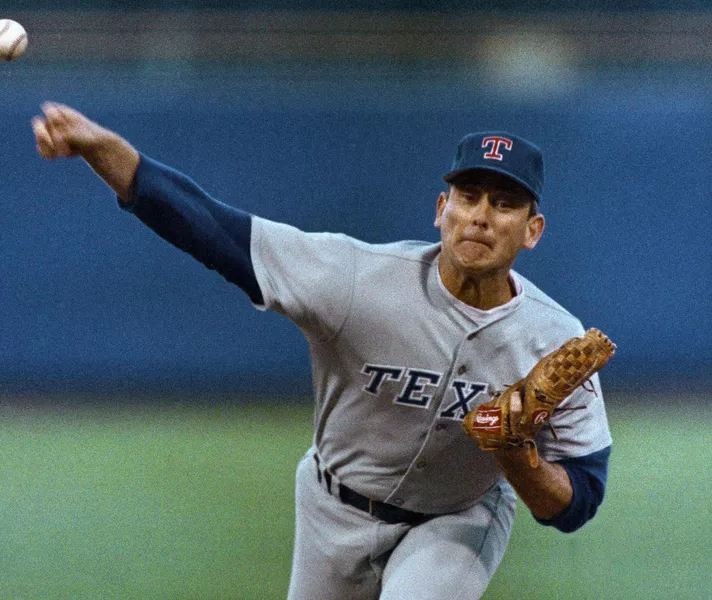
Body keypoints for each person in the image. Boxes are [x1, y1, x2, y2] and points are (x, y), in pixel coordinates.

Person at [32, 103, 613, 600]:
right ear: (442, 210)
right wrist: (103, 150)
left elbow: (578, 499)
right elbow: (209, 228)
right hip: (331, 508)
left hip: (458, 518)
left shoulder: (553, 336)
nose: (482, 216)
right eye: (469, 195)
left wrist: (520, 459)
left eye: (505, 203)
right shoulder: (356, 278)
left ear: (532, 229)